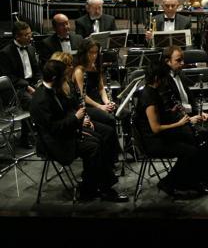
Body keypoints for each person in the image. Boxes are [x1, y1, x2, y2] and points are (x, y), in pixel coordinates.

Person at [30, 60, 128, 202]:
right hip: (56, 143)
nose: (66, 79)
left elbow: (68, 109)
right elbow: (53, 129)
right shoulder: (41, 100)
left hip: (68, 132)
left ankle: (92, 187)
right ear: (54, 79)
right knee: (94, 146)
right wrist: (76, 119)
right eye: (63, 76)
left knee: (101, 137)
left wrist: (81, 120)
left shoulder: (55, 90)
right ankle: (99, 189)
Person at [135, 62, 208, 196]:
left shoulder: (153, 92)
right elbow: (156, 128)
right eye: (165, 78)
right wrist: (180, 123)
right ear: (157, 79)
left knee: (195, 140)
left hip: (160, 137)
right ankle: (169, 183)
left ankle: (192, 181)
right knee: (191, 151)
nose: (166, 81)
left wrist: (172, 111)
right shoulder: (149, 97)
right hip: (153, 142)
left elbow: (160, 116)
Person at [159, 46, 208, 185]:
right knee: (203, 134)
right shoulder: (163, 81)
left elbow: (190, 100)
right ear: (167, 62)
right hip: (179, 121)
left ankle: (205, 169)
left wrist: (200, 113)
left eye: (182, 60)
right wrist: (189, 120)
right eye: (178, 60)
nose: (182, 63)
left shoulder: (180, 75)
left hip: (190, 116)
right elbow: (168, 110)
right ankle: (203, 174)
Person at [0, 21, 42, 147]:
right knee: (32, 102)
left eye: (30, 34)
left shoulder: (30, 47)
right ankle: (26, 137)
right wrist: (27, 87)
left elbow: (36, 69)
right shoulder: (5, 53)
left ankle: (42, 132)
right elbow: (9, 77)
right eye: (26, 35)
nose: (30, 37)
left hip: (30, 84)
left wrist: (40, 83)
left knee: (49, 94)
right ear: (17, 37)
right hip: (15, 89)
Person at [72, 39, 116, 129]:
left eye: (96, 52)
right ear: (84, 53)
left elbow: (101, 88)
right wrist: (99, 106)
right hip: (87, 105)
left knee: (124, 113)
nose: (94, 56)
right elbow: (82, 95)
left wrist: (107, 102)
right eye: (91, 52)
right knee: (110, 119)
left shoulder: (95, 66)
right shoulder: (79, 70)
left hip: (99, 100)